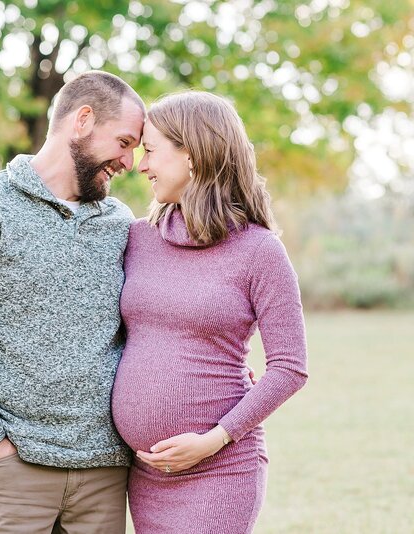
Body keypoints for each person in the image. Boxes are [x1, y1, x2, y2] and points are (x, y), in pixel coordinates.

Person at [0, 71, 145, 533]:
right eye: (123, 141)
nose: (129, 160)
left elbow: (156, 315)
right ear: (82, 121)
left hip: (104, 471)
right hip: (12, 466)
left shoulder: (121, 222)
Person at [111, 90, 309, 533]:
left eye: (151, 151)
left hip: (221, 469)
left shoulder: (259, 251)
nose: (140, 165)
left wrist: (213, 439)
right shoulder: (138, 239)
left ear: (193, 155)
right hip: (146, 474)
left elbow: (290, 367)